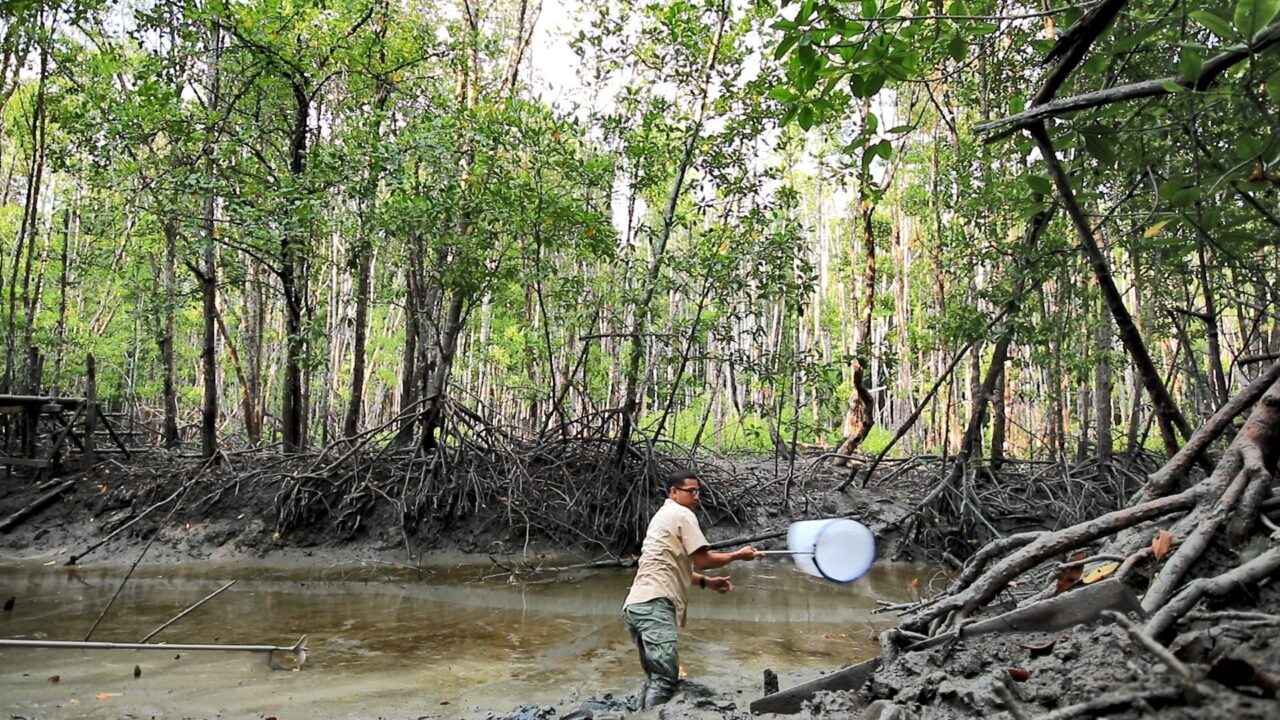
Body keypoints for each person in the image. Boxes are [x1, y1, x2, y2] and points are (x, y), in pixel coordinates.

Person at [621, 469, 760, 708]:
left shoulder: (662, 516)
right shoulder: (682, 514)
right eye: (691, 491)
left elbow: (671, 567)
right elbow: (703, 560)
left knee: (655, 677)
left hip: (635, 607)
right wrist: (738, 555)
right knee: (665, 680)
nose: (696, 497)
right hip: (654, 606)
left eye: (698, 492)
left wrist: (707, 582)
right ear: (673, 492)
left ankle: (641, 712)